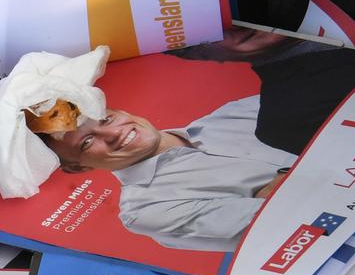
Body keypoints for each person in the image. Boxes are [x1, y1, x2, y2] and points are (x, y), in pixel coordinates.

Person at [43, 96, 297, 253]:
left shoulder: (237, 111)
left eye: (107, 119)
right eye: (87, 142)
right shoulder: (146, 210)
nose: (114, 133)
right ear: (78, 167)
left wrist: (283, 184)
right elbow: (289, 224)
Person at [171, 27, 355, 155]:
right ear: (201, 58)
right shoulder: (284, 122)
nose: (226, 27)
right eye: (201, 34)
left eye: (220, 10)